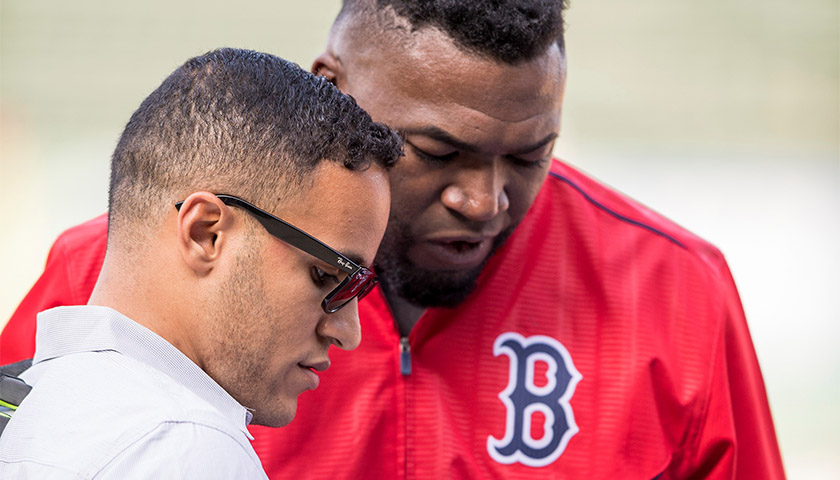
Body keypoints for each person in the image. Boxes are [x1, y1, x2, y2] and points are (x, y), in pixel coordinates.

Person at [0, 1, 785, 478]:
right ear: (332, 89)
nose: (483, 200)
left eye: (528, 155)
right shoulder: (127, 268)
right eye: (437, 151)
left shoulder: (677, 289)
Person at [0, 47, 402, 477]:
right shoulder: (185, 445)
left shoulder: (29, 410)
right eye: (326, 276)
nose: (348, 332)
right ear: (204, 232)